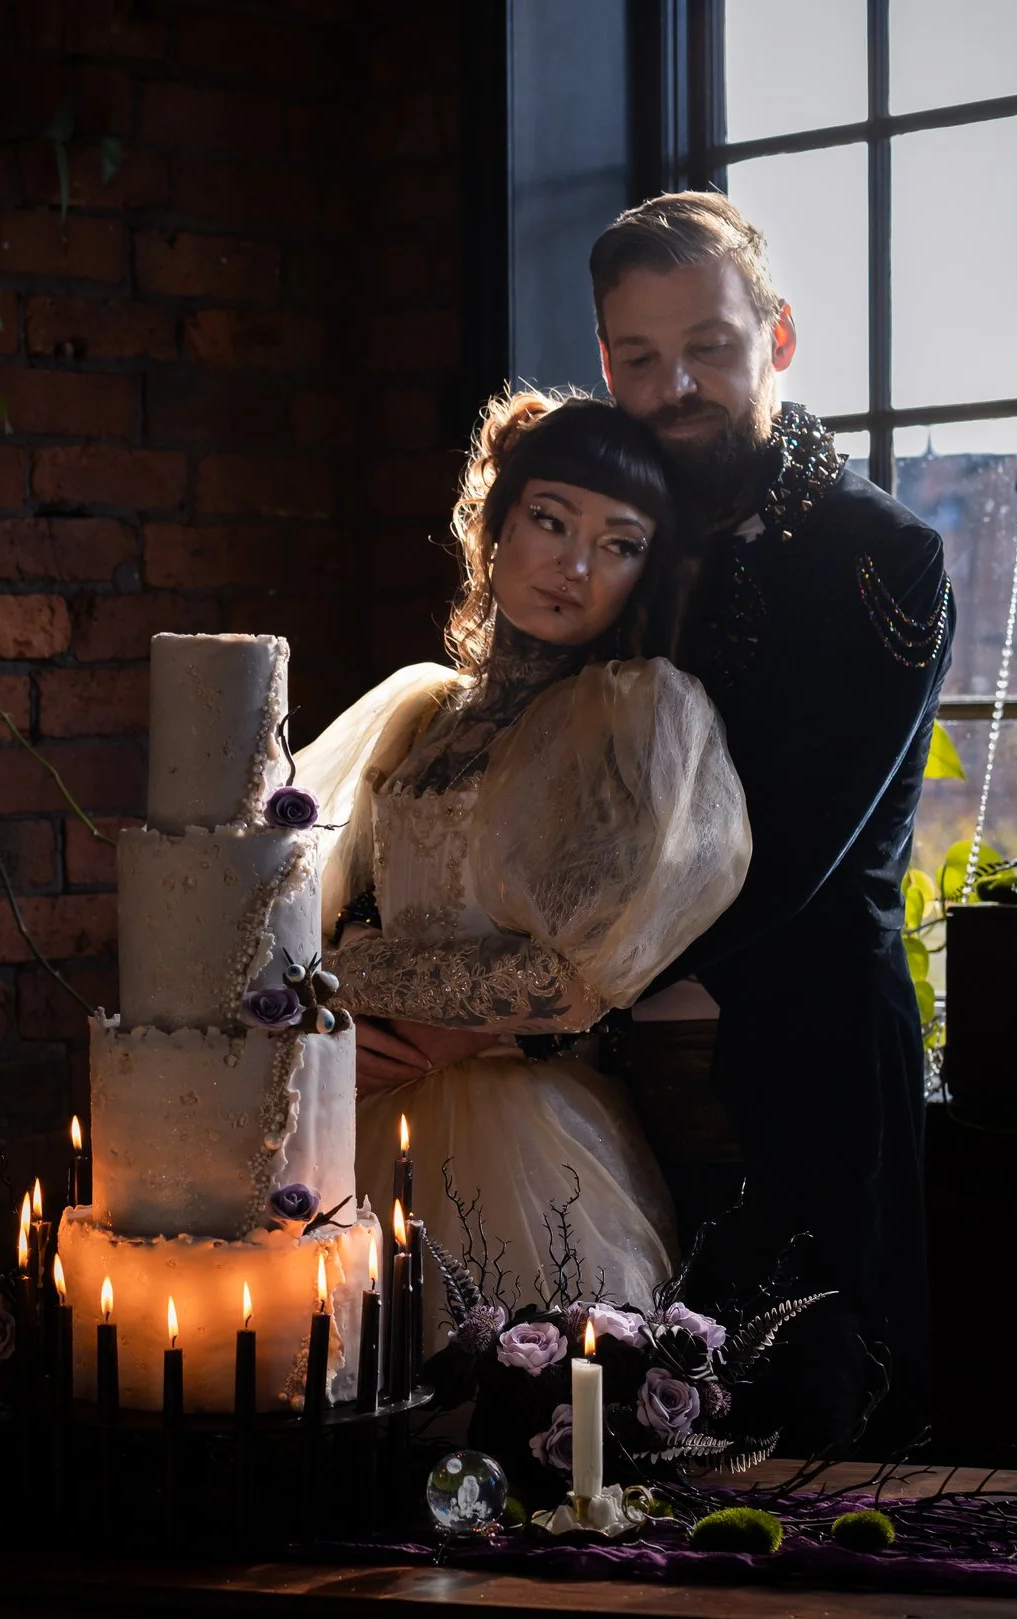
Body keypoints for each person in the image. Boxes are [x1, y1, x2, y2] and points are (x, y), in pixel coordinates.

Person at [591, 191, 953, 1449]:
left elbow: (790, 849)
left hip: (810, 1060)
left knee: (806, 1435)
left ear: (779, 336)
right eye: (637, 357)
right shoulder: (598, 527)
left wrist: (547, 988)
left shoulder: (879, 549)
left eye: (709, 344)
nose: (674, 381)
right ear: (604, 363)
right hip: (602, 1072)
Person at [297, 394, 752, 1320]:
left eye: (619, 544)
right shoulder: (422, 715)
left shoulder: (632, 717)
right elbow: (332, 915)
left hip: (523, 1134)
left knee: (518, 1399)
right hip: (369, 1106)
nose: (574, 566)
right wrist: (350, 997)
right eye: (550, 521)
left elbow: (575, 981)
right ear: (495, 523)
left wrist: (360, 983)